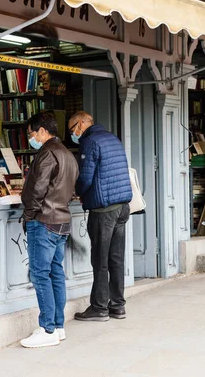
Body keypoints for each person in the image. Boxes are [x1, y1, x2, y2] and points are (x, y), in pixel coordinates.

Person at [20, 112, 79, 348]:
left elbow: (37, 189)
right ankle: (58, 325)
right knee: (55, 272)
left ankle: (47, 328)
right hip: (61, 220)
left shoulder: (46, 153)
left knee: (40, 274)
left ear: (43, 131)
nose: (31, 138)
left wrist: (28, 214)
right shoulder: (67, 154)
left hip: (44, 221)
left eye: (32, 133)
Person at [68, 111, 132, 322]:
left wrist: (77, 191)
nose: (73, 134)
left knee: (100, 259)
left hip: (103, 209)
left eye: (73, 129)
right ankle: (118, 305)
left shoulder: (90, 142)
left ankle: (99, 307)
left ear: (82, 124)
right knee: (116, 258)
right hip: (122, 206)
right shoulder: (113, 138)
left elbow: (86, 176)